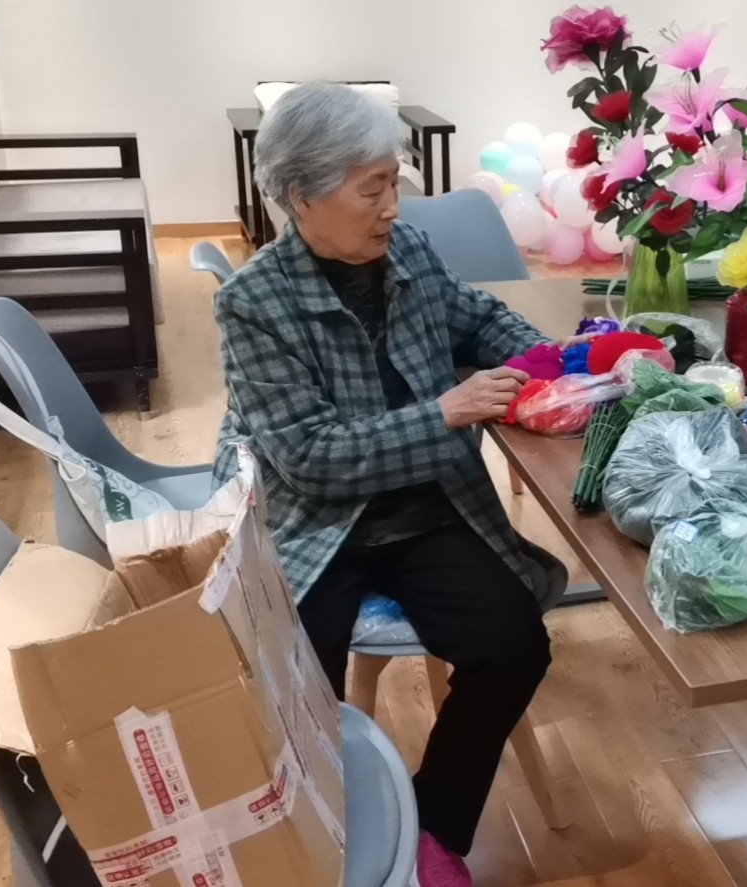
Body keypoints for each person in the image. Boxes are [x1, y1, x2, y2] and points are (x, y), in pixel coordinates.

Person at [212, 82, 558, 887]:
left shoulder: (406, 252)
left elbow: (478, 317)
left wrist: (546, 360)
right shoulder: (253, 302)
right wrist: (445, 413)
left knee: (513, 645)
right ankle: (320, 846)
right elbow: (310, 457)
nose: (393, 207)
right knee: (296, 690)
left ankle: (431, 829)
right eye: (372, 189)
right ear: (302, 196)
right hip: (319, 520)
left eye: (392, 183)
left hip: (430, 504)